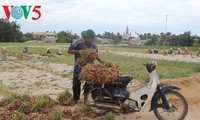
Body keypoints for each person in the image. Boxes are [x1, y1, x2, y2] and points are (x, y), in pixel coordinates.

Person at [68, 29, 103, 105]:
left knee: (90, 83)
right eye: (89, 39)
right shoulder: (77, 42)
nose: (90, 41)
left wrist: (101, 61)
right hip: (79, 65)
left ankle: (86, 98)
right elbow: (69, 51)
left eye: (92, 40)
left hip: (89, 67)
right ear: (85, 38)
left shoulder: (94, 45)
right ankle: (75, 98)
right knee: (76, 82)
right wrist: (78, 51)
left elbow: (95, 54)